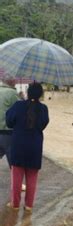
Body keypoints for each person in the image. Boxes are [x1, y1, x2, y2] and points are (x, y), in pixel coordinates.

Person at [6, 83, 49, 211]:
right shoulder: (44, 109)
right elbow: (43, 125)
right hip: (35, 146)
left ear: (27, 92)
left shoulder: (18, 105)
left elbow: (9, 122)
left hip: (18, 144)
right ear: (40, 94)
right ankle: (29, 206)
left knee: (16, 176)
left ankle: (14, 204)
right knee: (32, 177)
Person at [0, 81, 19, 167]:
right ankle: (15, 178)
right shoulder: (12, 93)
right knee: (13, 161)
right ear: (11, 81)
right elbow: (19, 110)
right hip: (7, 131)